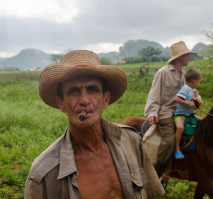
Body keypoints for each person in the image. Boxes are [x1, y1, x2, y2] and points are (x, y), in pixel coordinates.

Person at [24, 50, 165, 199]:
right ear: (61, 103)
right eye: (74, 91)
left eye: (92, 89)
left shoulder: (131, 141)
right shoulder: (43, 173)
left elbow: (151, 193)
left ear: (105, 99)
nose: (84, 100)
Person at [144, 41, 196, 176]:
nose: (189, 58)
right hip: (166, 113)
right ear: (180, 57)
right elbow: (154, 95)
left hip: (182, 112)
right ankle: (157, 172)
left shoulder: (185, 75)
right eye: (187, 56)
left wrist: (196, 99)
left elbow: (192, 91)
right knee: (169, 141)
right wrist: (152, 113)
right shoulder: (162, 73)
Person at [173, 68, 202, 159]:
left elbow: (197, 102)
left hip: (190, 114)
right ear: (194, 81)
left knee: (202, 122)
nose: (199, 84)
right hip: (180, 115)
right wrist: (188, 103)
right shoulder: (185, 89)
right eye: (199, 81)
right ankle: (176, 148)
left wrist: (198, 102)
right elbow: (176, 99)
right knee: (180, 127)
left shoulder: (193, 91)